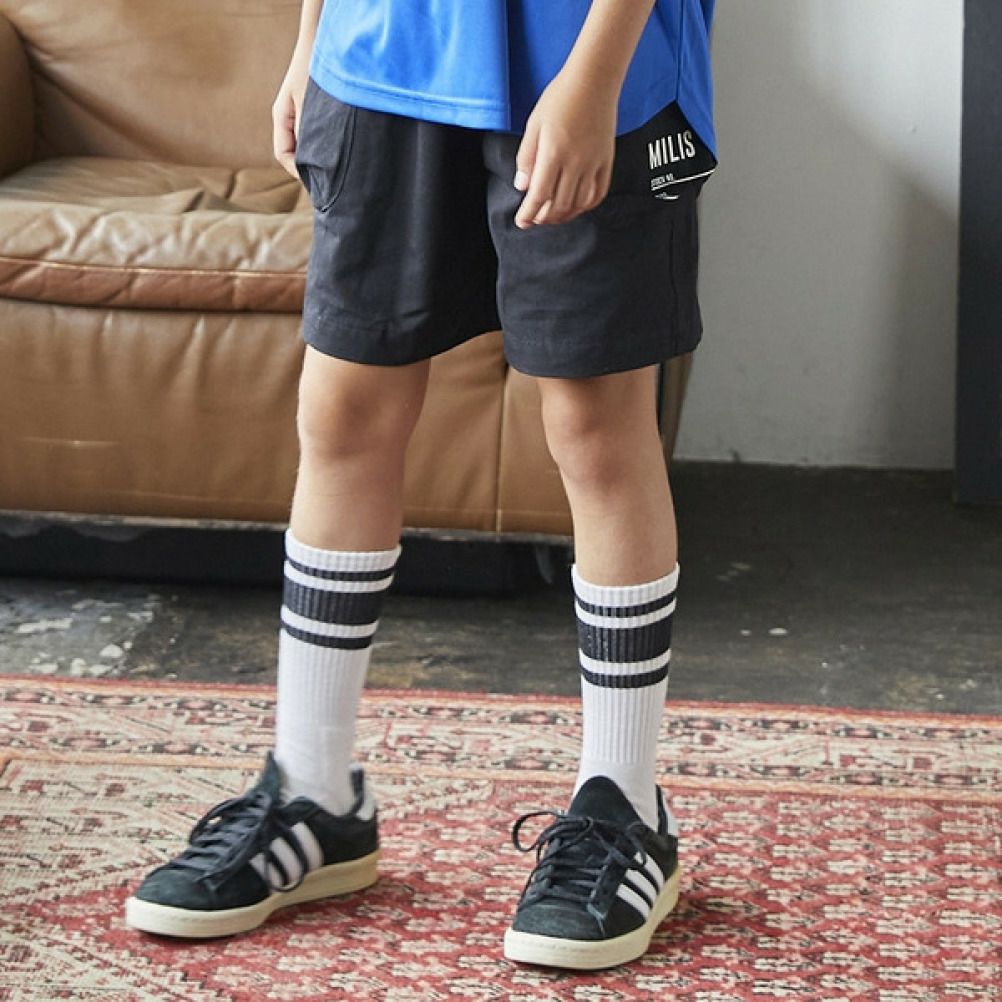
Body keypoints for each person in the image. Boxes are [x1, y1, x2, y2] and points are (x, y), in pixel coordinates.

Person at [124, 0, 717, 971]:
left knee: (595, 429)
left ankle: (626, 808)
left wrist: (596, 74)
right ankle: (314, 794)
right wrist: (311, 43)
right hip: (379, 56)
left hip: (583, 61)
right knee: (343, 414)